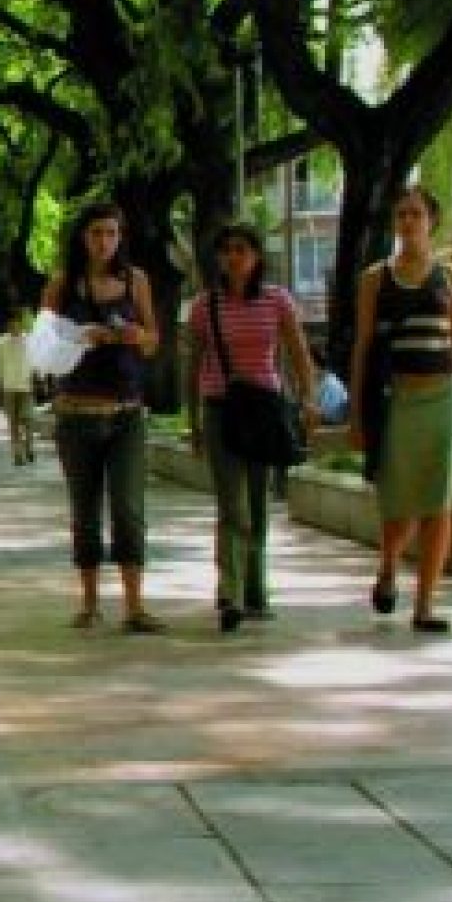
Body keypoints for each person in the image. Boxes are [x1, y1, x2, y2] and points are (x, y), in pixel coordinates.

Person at [349, 185, 452, 635]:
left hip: (447, 398)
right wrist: (358, 414)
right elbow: (363, 345)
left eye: (416, 214)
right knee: (398, 500)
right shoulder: (375, 279)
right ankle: (388, 566)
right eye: (401, 215)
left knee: (438, 500)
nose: (408, 223)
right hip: (398, 398)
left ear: (431, 221)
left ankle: (425, 604)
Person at [186, 223, 319, 633]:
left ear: (257, 255)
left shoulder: (277, 301)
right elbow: (193, 365)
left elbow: (298, 353)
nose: (233, 257)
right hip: (222, 408)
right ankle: (231, 593)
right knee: (232, 504)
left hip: (263, 410)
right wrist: (193, 420)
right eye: (226, 250)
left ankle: (256, 590)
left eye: (241, 249)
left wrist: (309, 399)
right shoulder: (205, 306)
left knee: (259, 503)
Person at [42, 200, 163, 633]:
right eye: (96, 233)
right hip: (77, 414)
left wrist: (134, 336)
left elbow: (153, 342)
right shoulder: (62, 286)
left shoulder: (138, 282)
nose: (104, 242)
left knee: (129, 508)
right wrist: (81, 338)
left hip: (127, 412)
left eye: (111, 233)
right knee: (85, 508)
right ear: (82, 237)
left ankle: (135, 603)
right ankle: (90, 601)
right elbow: (44, 350)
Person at [0, 310, 37, 465]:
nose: (14, 327)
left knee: (28, 420)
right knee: (13, 423)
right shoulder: (1, 342)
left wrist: (36, 378)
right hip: (9, 387)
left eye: (16, 324)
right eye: (11, 324)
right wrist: (1, 384)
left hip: (26, 386)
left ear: (20, 324)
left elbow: (35, 360)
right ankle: (17, 454)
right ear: (8, 326)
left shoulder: (29, 340)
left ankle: (29, 447)